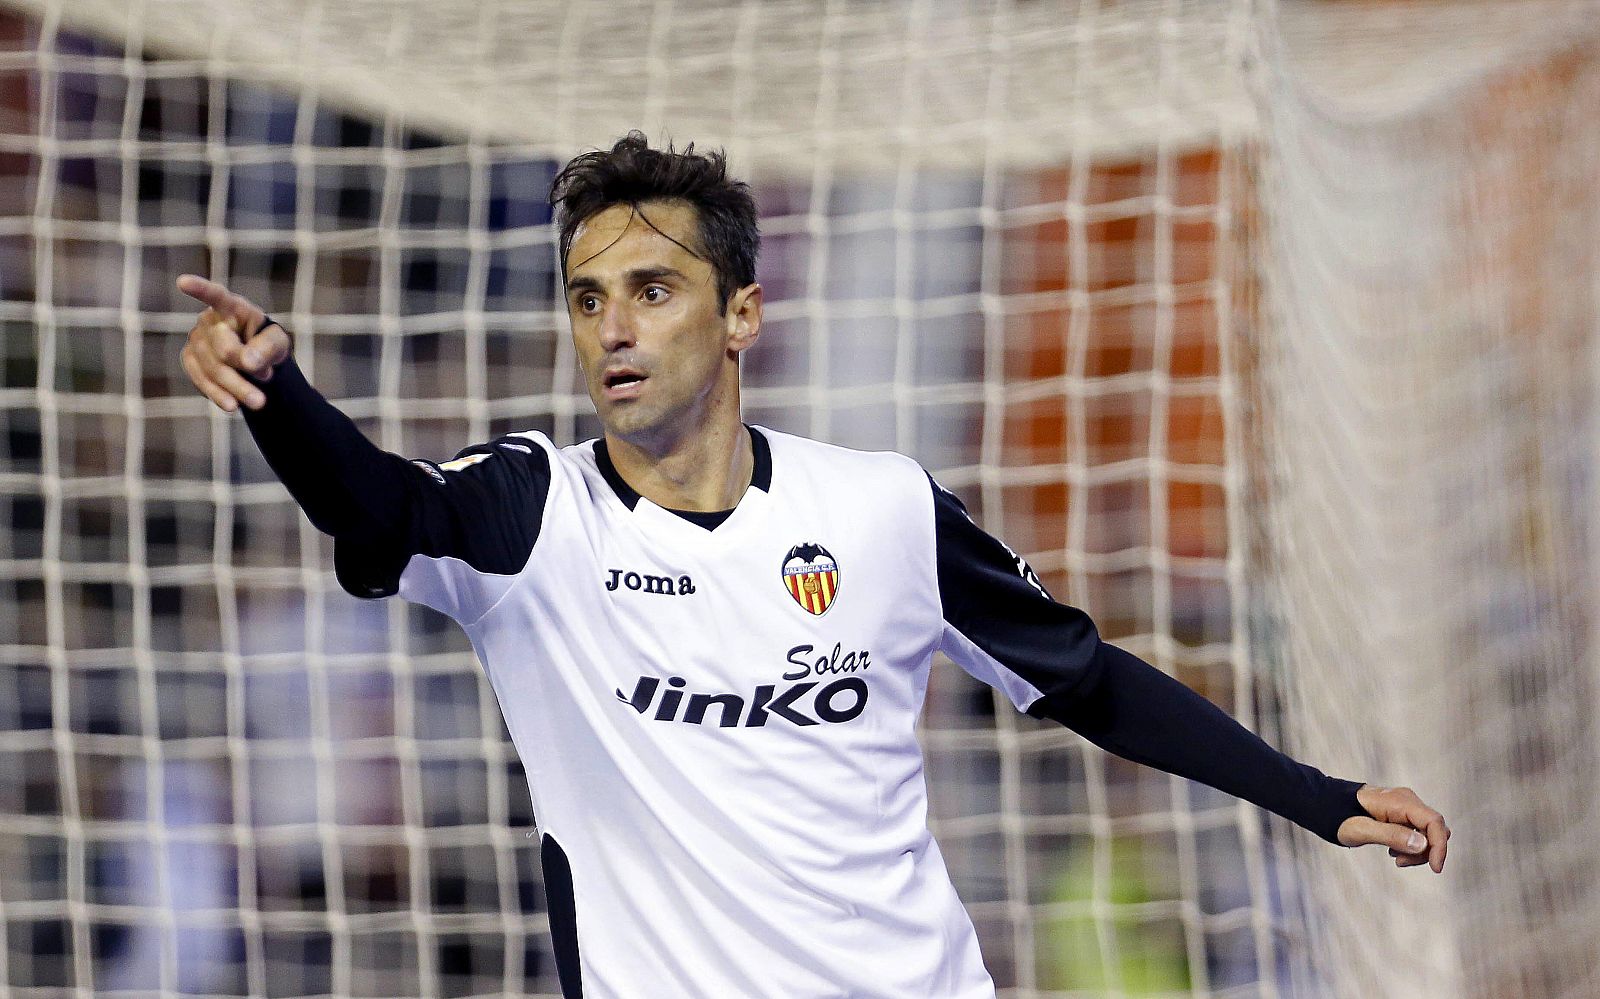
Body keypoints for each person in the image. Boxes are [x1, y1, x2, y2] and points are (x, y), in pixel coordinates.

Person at [177, 132, 1448, 999]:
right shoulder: (530, 514)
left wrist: (1316, 797)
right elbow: (379, 507)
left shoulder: (882, 508)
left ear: (739, 315)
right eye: (585, 297)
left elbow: (1088, 684)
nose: (612, 328)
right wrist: (281, 398)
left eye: (653, 289)